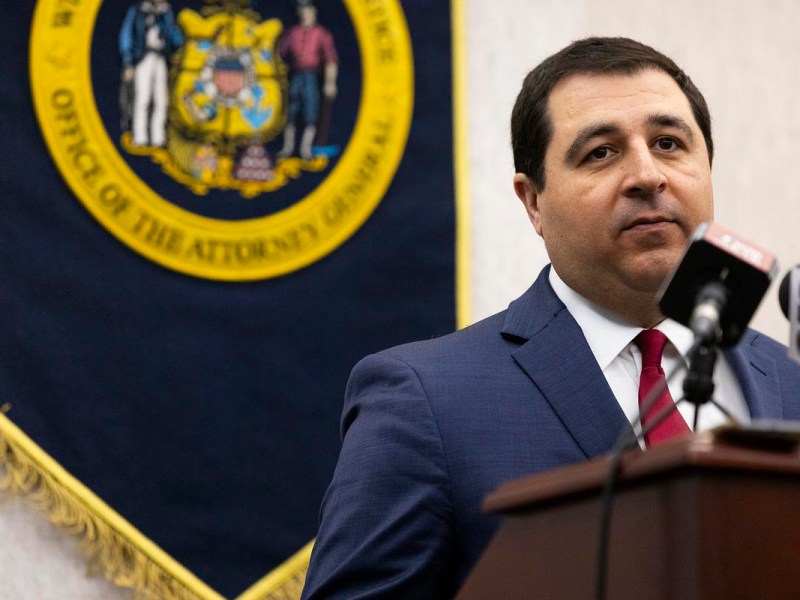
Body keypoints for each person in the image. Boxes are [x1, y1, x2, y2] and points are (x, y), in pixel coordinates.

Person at [300, 37, 800, 599]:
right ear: (532, 201)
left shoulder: (789, 382)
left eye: (668, 143)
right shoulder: (425, 401)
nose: (647, 175)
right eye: (601, 153)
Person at [277, 0, 339, 160]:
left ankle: (306, 149)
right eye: (302, 10)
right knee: (289, 112)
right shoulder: (293, 32)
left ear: (314, 12)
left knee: (310, 113)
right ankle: (287, 147)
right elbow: (279, 55)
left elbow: (331, 60)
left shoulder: (322, 34)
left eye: (308, 10)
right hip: (294, 76)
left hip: (311, 77)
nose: (305, 14)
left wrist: (330, 83)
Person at [119, 0, 183, 147]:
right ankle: (140, 137)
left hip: (160, 59)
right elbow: (127, 35)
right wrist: (128, 61)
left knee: (161, 100)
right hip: (143, 58)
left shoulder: (166, 13)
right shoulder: (137, 11)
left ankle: (158, 137)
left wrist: (168, 20)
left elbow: (174, 36)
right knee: (142, 98)